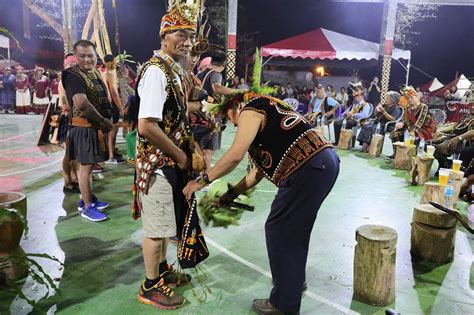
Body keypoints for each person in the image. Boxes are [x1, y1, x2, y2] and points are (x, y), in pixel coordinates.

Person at [183, 91, 340, 315]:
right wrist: (232, 194)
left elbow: (235, 155)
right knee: (294, 230)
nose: (234, 124)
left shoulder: (251, 108)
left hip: (307, 167)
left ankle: (284, 303)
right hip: (324, 163)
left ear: (234, 106)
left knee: (278, 229)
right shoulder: (268, 112)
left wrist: (202, 181)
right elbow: (257, 174)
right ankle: (294, 282)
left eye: (229, 117)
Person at [132, 2, 208, 309]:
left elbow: (173, 114)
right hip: (158, 164)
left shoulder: (173, 70)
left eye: (190, 35)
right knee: (155, 228)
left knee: (165, 225)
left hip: (169, 163)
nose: (188, 41)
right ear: (164, 36)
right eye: (180, 34)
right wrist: (179, 156)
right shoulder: (155, 72)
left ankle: (162, 271)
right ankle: (150, 286)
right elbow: (146, 125)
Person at [62, 40, 113, 222]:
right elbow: (81, 103)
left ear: (96, 56)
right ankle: (86, 206)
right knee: (86, 168)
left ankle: (89, 198)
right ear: (75, 57)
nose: (87, 59)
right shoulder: (73, 75)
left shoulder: (95, 73)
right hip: (83, 127)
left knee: (90, 167)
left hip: (94, 127)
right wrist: (102, 120)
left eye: (90, 55)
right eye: (82, 56)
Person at [194, 50, 241, 170]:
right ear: (224, 64)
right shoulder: (216, 74)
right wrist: (237, 92)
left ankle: (197, 174)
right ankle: (204, 177)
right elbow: (216, 88)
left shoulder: (202, 73)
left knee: (198, 147)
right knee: (209, 150)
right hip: (211, 117)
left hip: (198, 114)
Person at [432, 102, 474, 170]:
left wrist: (459, 138)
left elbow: (472, 132)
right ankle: (444, 165)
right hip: (453, 137)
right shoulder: (465, 116)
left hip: (463, 141)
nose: (472, 107)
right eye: (471, 105)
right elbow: (454, 127)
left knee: (439, 147)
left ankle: (447, 165)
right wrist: (441, 131)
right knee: (432, 144)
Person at [101, 54, 125, 164]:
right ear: (112, 62)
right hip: (112, 105)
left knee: (111, 131)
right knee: (112, 132)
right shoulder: (109, 74)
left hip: (106, 105)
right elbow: (114, 93)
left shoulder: (103, 73)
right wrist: (120, 107)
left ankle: (110, 153)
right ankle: (111, 156)